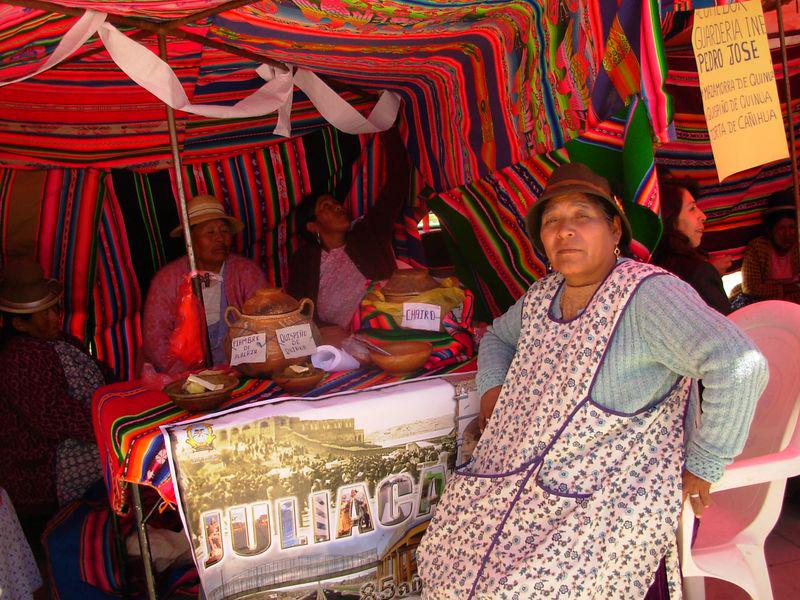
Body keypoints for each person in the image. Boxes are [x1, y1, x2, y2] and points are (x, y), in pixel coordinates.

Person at [417, 163, 768, 598]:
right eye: (551, 221)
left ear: (615, 229)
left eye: (582, 215)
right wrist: (493, 390)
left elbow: (740, 363)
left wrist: (705, 462)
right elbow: (496, 340)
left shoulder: (648, 295)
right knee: (445, 556)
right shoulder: (545, 293)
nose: (565, 230)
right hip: (532, 490)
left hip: (606, 501)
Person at [0, 257, 112, 534]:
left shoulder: (61, 342)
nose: (55, 318)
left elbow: (102, 375)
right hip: (46, 467)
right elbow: (55, 418)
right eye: (45, 314)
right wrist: (111, 427)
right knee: (124, 456)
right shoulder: (20, 359)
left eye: (55, 309)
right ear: (20, 325)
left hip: (89, 432)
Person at [287, 127, 411, 331]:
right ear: (312, 225)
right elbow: (299, 312)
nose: (337, 206)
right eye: (326, 206)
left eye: (336, 202)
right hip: (337, 343)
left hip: (390, 327)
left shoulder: (368, 232)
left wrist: (387, 126)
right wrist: (327, 332)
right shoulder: (303, 260)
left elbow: (396, 185)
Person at [141, 194, 267, 374]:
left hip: (241, 373)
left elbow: (265, 323)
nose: (219, 239)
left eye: (224, 231)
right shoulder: (166, 280)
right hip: (186, 378)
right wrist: (186, 375)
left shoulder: (247, 273)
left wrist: (242, 368)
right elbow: (155, 338)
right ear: (190, 239)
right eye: (210, 232)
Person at [653, 179, 731, 314]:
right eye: (692, 208)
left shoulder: (652, 268)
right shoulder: (700, 273)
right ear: (672, 220)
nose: (703, 216)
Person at [738, 190, 800, 305]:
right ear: (770, 231)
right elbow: (750, 288)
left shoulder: (798, 246)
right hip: (765, 305)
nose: (788, 234)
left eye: (792, 227)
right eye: (781, 229)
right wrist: (786, 289)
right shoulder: (757, 248)